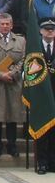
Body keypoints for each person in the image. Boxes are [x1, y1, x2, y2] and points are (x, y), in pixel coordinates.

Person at [0, 13, 25, 157]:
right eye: (2, 24)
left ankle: (12, 145)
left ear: (12, 25)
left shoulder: (21, 40)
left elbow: (23, 60)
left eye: (7, 24)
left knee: (12, 116)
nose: (5, 26)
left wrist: (12, 73)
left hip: (14, 82)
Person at [35, 18, 55, 174]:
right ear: (40, 31)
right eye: (47, 29)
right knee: (42, 130)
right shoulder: (35, 47)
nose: (50, 31)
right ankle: (41, 162)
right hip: (40, 95)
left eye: (52, 29)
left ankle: (52, 162)